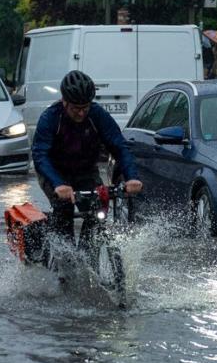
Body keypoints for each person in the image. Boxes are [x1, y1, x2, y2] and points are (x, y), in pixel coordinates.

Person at [31, 70, 144, 244]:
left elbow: (120, 147)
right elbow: (40, 156)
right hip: (55, 172)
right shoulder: (50, 118)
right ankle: (62, 256)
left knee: (97, 211)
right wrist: (58, 184)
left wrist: (132, 177)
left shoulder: (98, 115)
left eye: (85, 107)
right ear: (64, 102)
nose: (81, 113)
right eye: (76, 108)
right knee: (64, 211)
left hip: (85, 170)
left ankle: (89, 253)